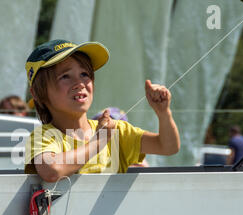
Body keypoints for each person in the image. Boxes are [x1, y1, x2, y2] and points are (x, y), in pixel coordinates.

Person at [23, 39, 179, 182]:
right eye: (65, 76)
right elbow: (52, 171)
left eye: (85, 74)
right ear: (37, 93)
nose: (79, 83)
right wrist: (99, 141)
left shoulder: (116, 130)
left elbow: (168, 147)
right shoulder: (41, 136)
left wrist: (163, 113)